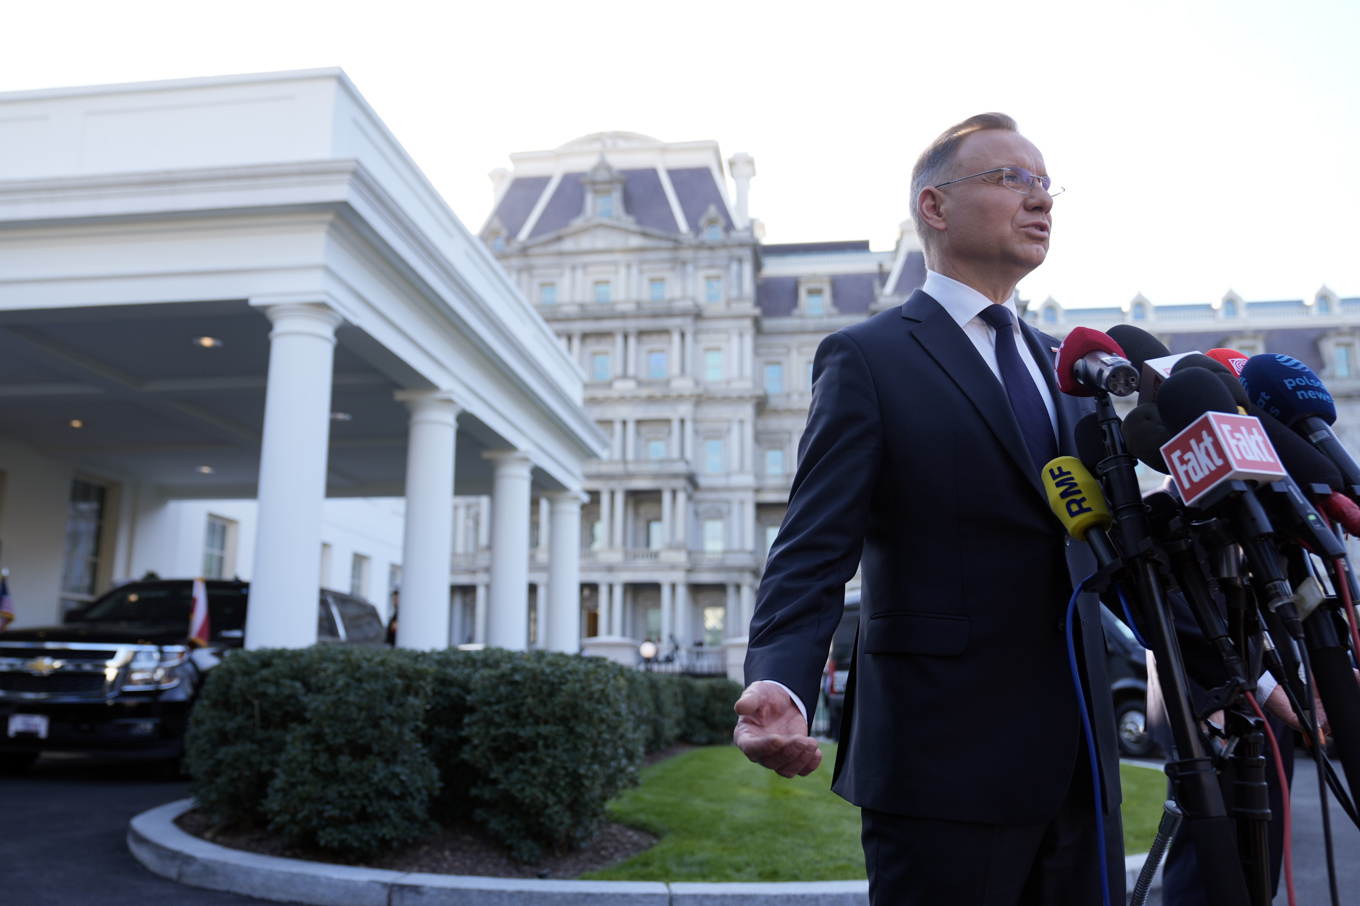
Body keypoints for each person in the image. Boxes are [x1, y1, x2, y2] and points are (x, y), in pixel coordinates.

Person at [734, 113, 1125, 905]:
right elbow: (812, 546)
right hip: (943, 765)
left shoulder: (1074, 370)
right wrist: (782, 680)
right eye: (1011, 178)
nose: (1039, 198)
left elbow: (1120, 552)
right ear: (934, 208)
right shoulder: (869, 357)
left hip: (1082, 764)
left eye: (1046, 183)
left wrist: (1248, 675)